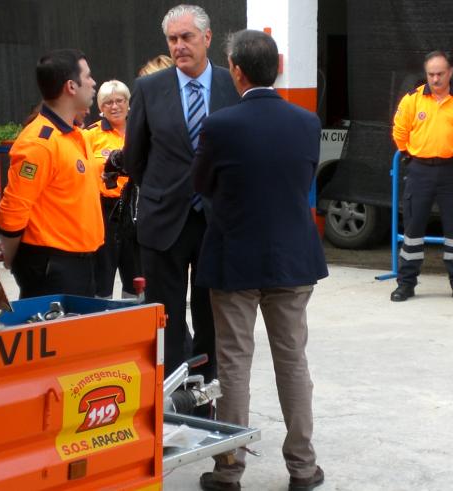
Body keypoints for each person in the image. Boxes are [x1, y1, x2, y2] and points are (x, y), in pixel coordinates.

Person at [192, 28, 327, 491]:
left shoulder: (220, 126)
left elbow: (203, 183)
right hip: (292, 258)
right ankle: (303, 469)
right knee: (293, 361)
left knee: (233, 363)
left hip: (235, 259)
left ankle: (229, 470)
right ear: (278, 69)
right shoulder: (307, 123)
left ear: (236, 71)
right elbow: (302, 180)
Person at [123, 5, 240, 383]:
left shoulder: (231, 86)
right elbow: (135, 157)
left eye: (186, 37)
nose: (179, 46)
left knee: (211, 317)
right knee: (166, 319)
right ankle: (170, 400)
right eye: (172, 39)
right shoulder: (148, 89)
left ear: (206, 38)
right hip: (164, 223)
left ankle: (205, 397)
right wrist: (161, 193)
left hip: (215, 222)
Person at [0, 49, 102, 298]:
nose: (93, 82)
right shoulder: (39, 143)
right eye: (87, 76)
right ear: (71, 87)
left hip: (79, 263)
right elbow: (12, 211)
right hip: (53, 268)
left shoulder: (73, 135)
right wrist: (12, 258)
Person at [390, 50, 453, 304]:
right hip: (420, 169)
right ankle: (406, 284)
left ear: (451, 72)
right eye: (431, 74)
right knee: (413, 230)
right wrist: (411, 154)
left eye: (440, 74)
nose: (435, 79)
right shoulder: (412, 100)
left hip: (452, 170)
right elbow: (400, 133)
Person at [84, 80, 140, 298]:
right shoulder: (89, 136)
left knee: (135, 271)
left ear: (128, 103)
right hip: (104, 211)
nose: (115, 106)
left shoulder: (140, 130)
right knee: (103, 273)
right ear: (100, 108)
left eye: (119, 100)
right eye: (108, 102)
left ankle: (133, 319)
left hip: (134, 208)